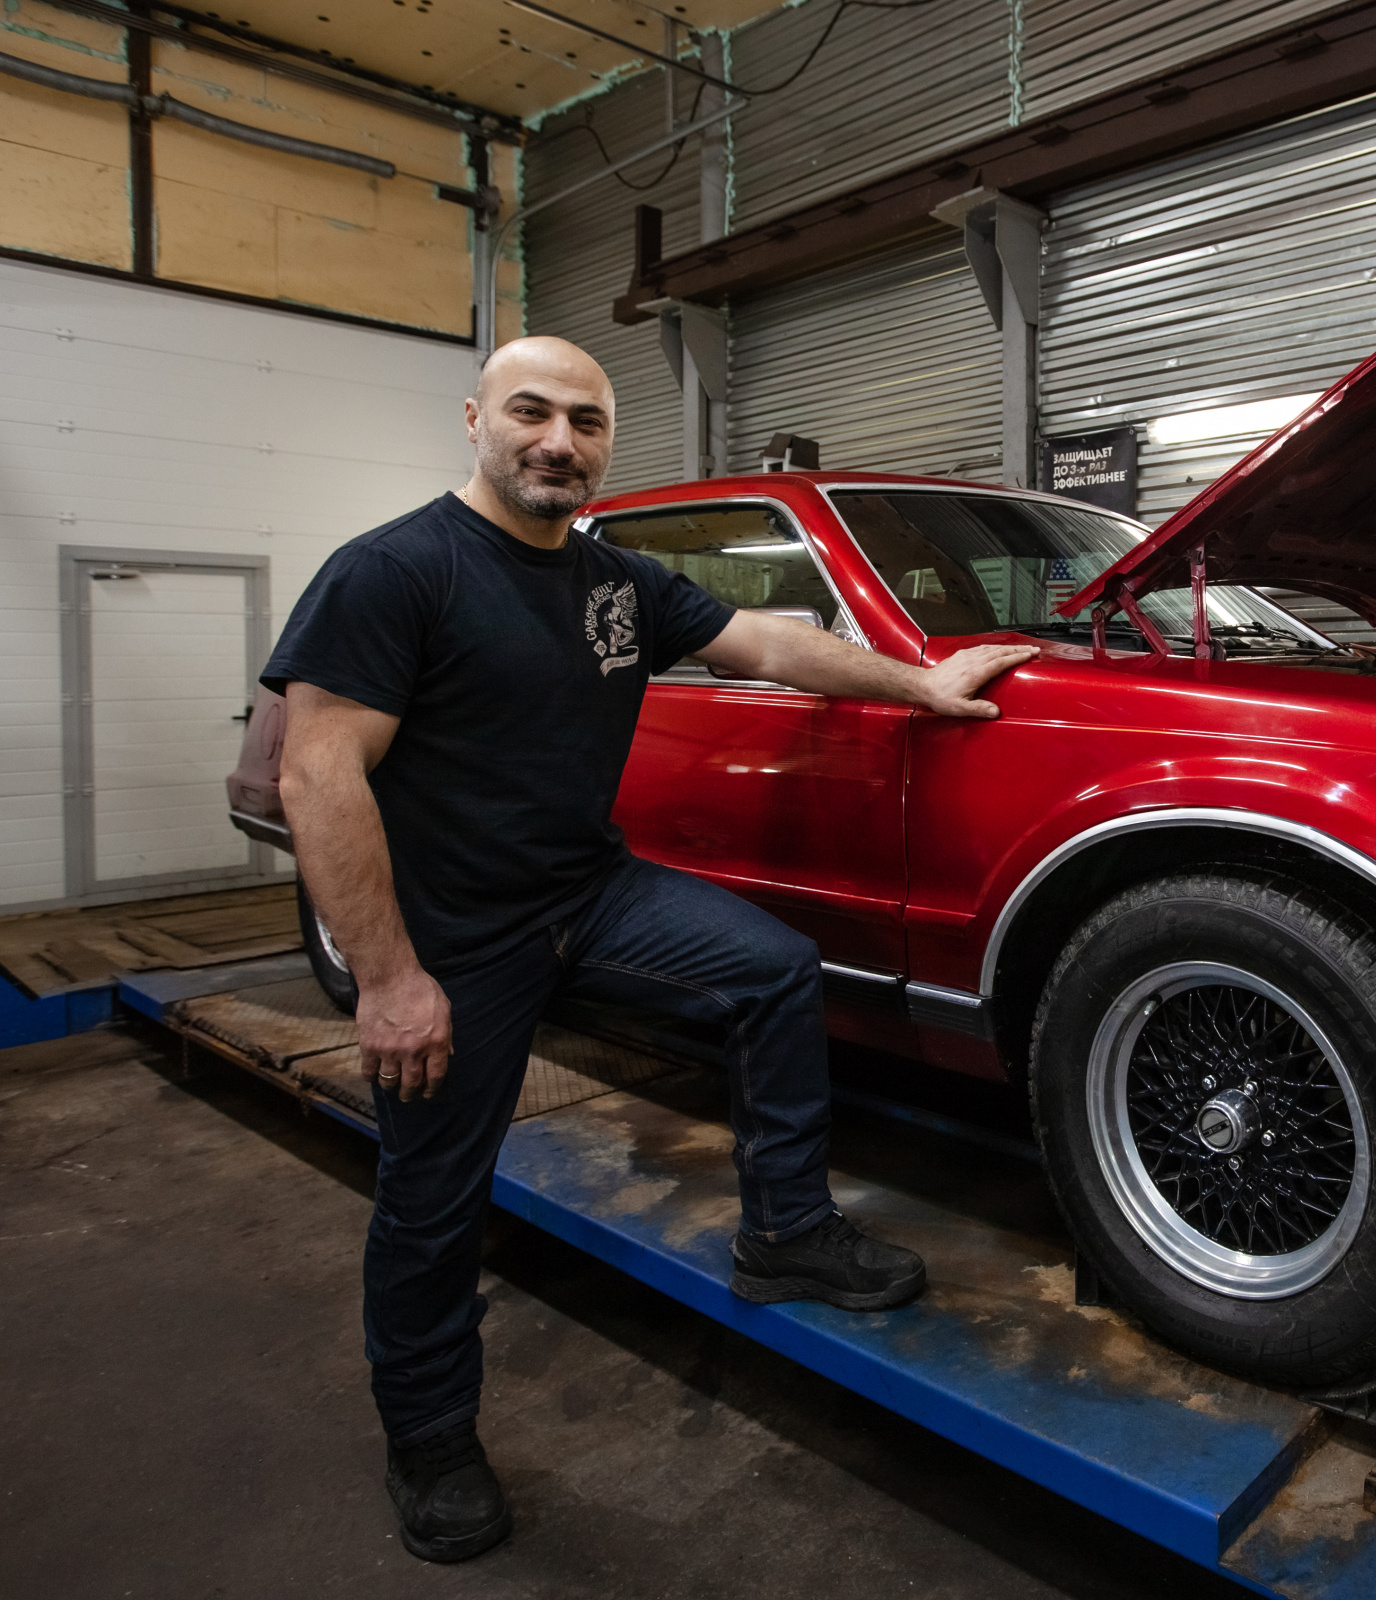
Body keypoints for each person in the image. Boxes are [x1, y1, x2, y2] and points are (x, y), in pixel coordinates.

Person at [267, 336, 1035, 1564]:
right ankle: (431, 1435)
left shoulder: (613, 581)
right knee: (431, 1201)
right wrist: (393, 978)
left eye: (586, 419)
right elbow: (318, 778)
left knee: (774, 969)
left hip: (592, 890)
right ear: (475, 418)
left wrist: (922, 684)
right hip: (459, 932)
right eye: (531, 412)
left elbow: (769, 642)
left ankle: (784, 1229)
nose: (558, 440)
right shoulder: (394, 571)